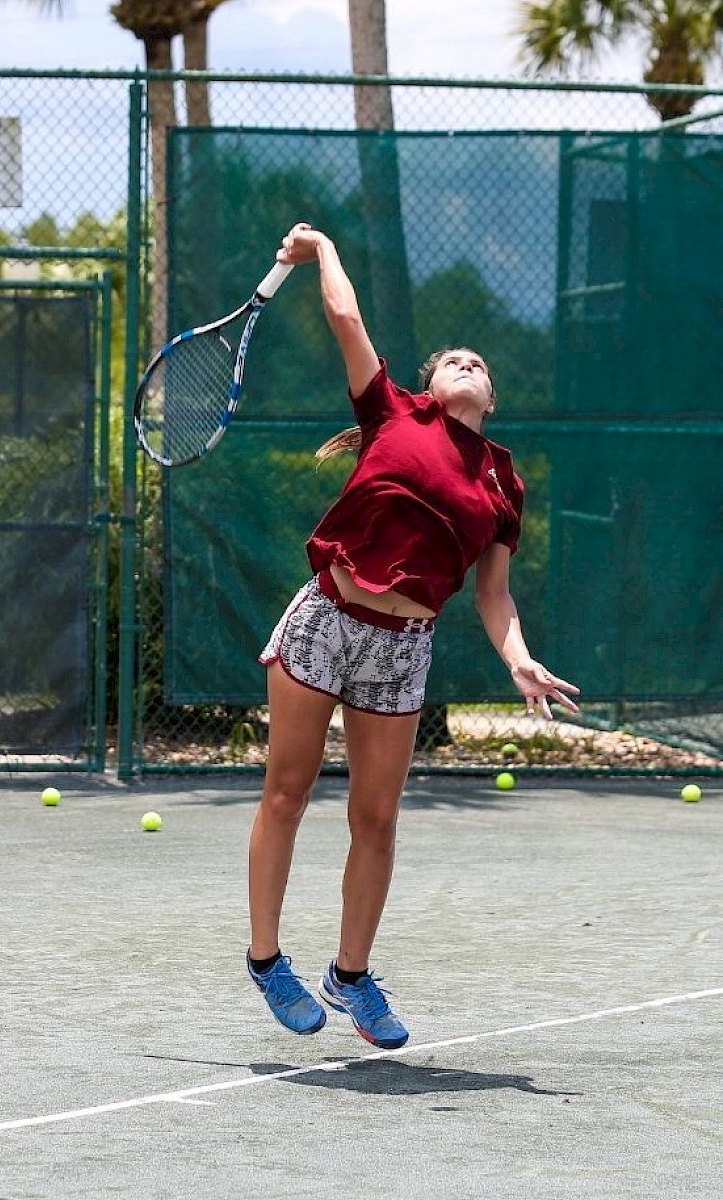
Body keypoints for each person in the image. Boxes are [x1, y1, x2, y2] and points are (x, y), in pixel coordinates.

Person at [246, 221, 579, 1049]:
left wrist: (520, 659)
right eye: (453, 360)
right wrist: (321, 249)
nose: (468, 363)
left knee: (379, 819)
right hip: (327, 617)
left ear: (491, 398)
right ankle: (265, 959)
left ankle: (349, 976)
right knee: (286, 794)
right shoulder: (393, 411)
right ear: (429, 384)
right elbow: (347, 322)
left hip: (403, 649)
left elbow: (493, 596)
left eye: (481, 364)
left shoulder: (504, 481)